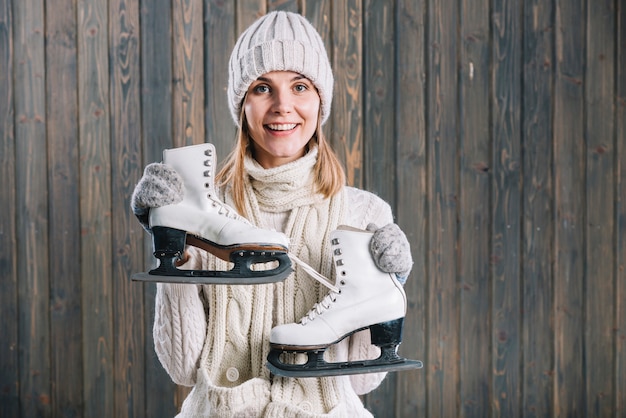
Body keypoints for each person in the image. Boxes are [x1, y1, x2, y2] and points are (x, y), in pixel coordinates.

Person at [131, 11, 413, 417]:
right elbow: (183, 366)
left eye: (300, 86)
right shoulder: (203, 209)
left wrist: (391, 285)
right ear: (242, 104)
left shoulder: (363, 212)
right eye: (263, 88)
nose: (283, 106)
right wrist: (174, 248)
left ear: (320, 100)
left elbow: (362, 380)